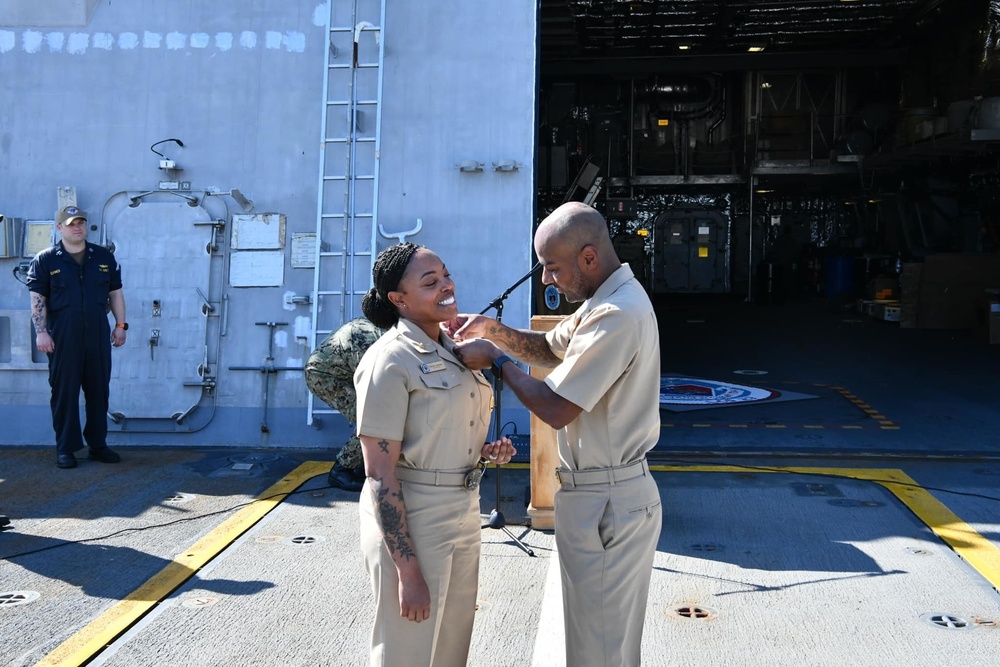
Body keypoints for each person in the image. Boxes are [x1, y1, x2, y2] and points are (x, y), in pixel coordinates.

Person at [446, 201, 662, 667]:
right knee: (601, 643)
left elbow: (556, 407)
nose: (546, 280)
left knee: (598, 650)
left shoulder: (616, 314)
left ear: (588, 257)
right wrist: (493, 331)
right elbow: (547, 349)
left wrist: (498, 361)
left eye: (551, 267)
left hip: (608, 499)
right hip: (601, 494)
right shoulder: (601, 303)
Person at [353, 242, 515, 667]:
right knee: (407, 650)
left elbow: (440, 430)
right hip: (414, 517)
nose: (447, 285)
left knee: (450, 645)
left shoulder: (457, 350)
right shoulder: (389, 361)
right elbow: (379, 474)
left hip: (463, 510)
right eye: (431, 282)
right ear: (398, 300)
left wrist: (484, 452)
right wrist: (407, 572)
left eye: (446, 274)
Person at [26, 205, 127, 469]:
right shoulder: (46, 259)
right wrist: (41, 332)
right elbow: (38, 298)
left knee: (98, 391)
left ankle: (98, 444)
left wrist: (121, 325)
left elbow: (115, 293)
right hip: (63, 334)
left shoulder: (103, 257)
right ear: (59, 228)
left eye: (80, 222)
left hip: (97, 332)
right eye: (70, 223)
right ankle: (66, 448)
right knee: (64, 392)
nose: (77, 227)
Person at [305, 317, 385, 492]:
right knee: (373, 419)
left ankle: (360, 466)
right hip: (325, 377)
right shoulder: (367, 338)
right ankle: (341, 471)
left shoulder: (380, 329)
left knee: (379, 415)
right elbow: (372, 379)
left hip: (341, 374)